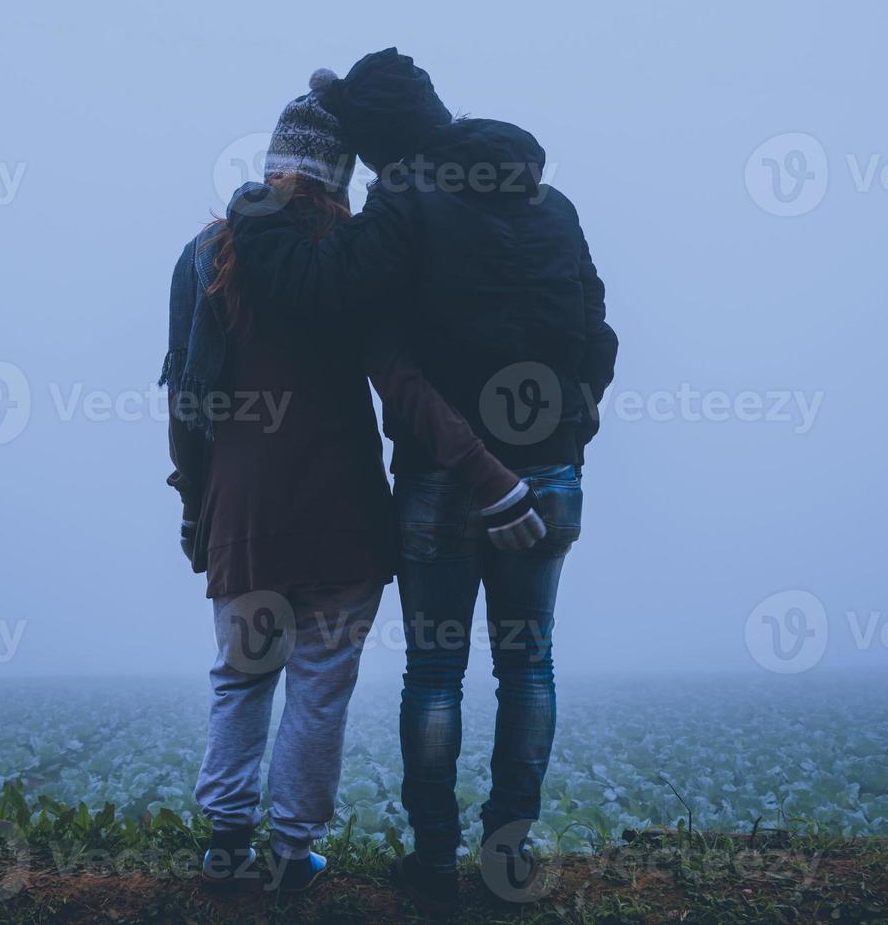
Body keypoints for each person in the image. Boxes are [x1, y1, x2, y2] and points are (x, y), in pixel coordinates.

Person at [225, 49, 619, 908]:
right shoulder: (551, 204)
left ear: (376, 149)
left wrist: (255, 209)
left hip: (444, 477)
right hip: (551, 472)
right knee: (531, 667)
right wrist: (570, 430)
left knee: (436, 673)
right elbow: (597, 331)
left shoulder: (404, 197)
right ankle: (508, 859)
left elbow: (318, 285)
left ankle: (435, 862)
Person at [162, 70, 545, 895]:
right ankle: (293, 856)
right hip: (344, 522)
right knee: (320, 692)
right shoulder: (355, 264)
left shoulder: (203, 258)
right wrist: (491, 477)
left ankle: (229, 851)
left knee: (241, 679)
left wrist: (196, 505)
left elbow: (186, 400)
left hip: (246, 517)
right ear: (343, 172)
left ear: (273, 164)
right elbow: (404, 383)